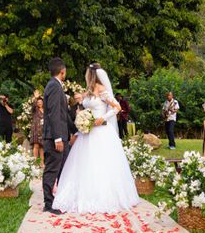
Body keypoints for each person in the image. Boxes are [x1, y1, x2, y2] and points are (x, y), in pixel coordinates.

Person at [53, 62, 140, 214]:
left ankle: (105, 196)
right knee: (85, 163)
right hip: (88, 132)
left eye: (87, 73)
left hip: (101, 131)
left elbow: (117, 108)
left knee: (100, 163)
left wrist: (103, 118)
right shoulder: (88, 91)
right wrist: (81, 114)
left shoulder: (101, 89)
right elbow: (85, 106)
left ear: (91, 74)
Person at [42, 57, 78, 214]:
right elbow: (54, 114)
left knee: (63, 169)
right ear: (62, 71)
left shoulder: (55, 86)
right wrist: (57, 138)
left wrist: (76, 129)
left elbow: (63, 116)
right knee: (52, 169)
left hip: (62, 135)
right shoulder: (54, 87)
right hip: (55, 138)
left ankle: (59, 200)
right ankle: (48, 204)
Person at [30, 97, 44, 166]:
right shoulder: (35, 110)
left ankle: (42, 162)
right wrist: (35, 98)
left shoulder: (45, 110)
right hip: (36, 129)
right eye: (38, 102)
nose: (40, 103)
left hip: (43, 129)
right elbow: (33, 106)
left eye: (41, 102)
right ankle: (35, 163)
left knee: (42, 146)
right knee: (36, 146)